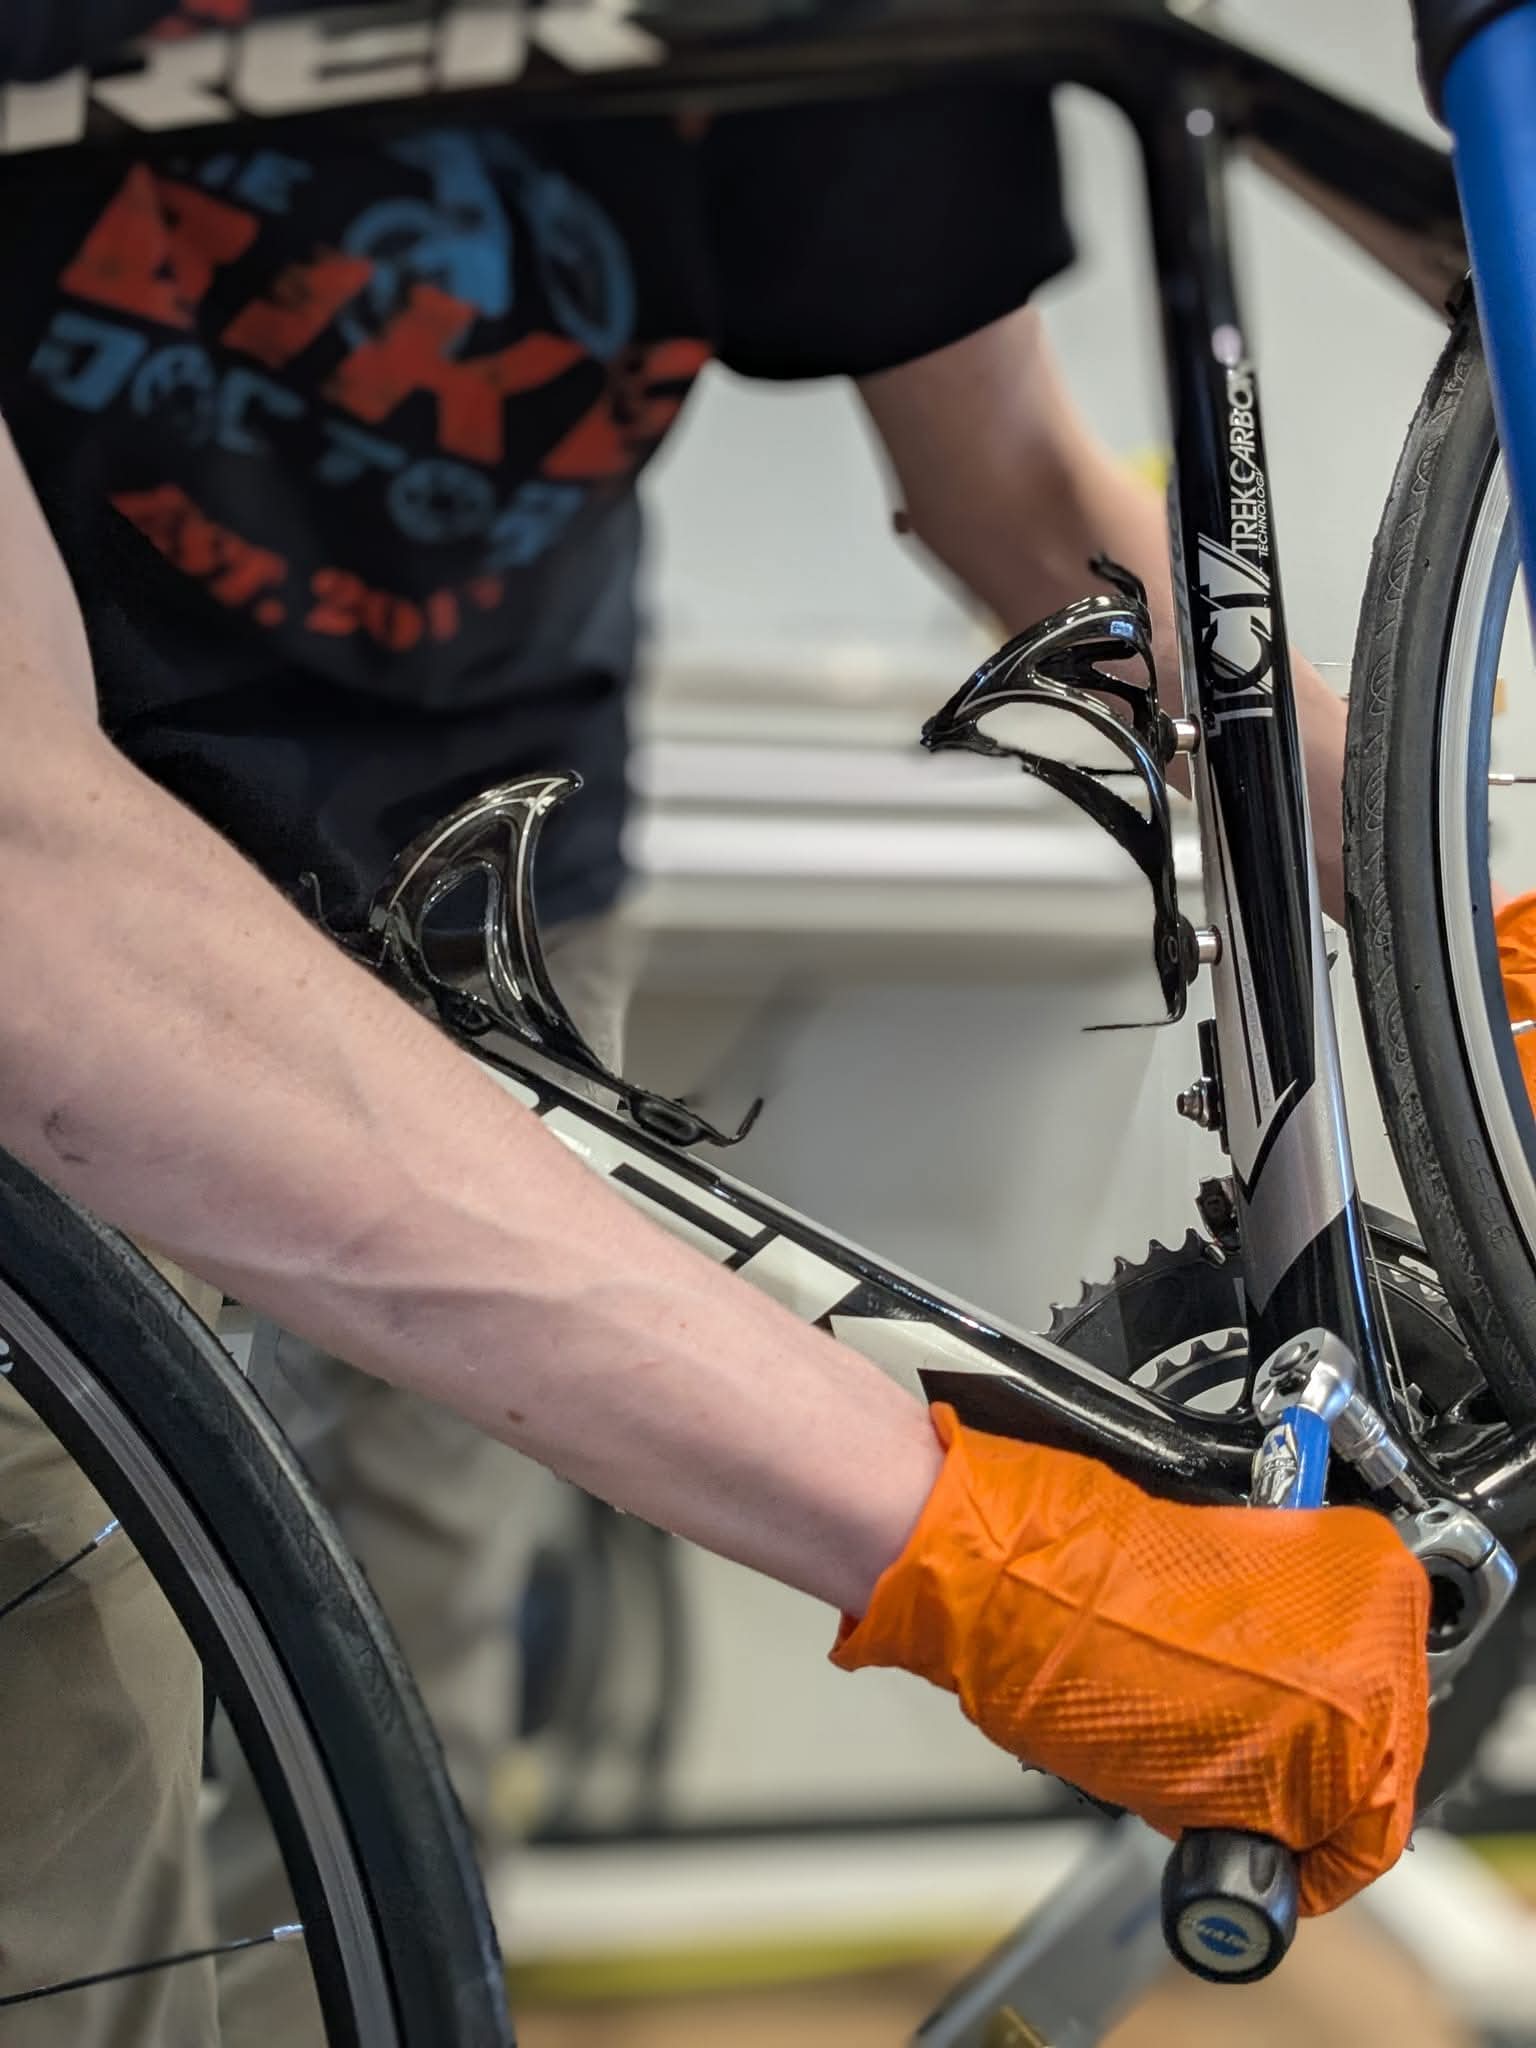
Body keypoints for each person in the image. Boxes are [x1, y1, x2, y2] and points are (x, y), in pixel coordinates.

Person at [0, 4, 1426, 2043]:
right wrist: (972, 1548)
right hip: (76, 913)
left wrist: (1447, 890)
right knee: (73, 1768)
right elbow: (26, 864)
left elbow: (1015, 483)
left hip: (486, 869)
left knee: (405, 1632)